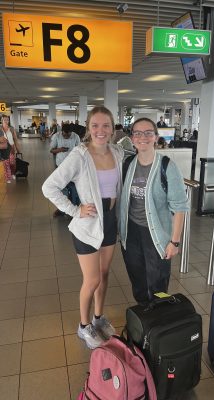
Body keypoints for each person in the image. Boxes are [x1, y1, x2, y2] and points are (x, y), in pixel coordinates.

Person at [42, 106, 124, 349]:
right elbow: (49, 187)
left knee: (105, 275)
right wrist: (75, 210)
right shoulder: (79, 155)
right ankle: (84, 325)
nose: (101, 130)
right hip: (88, 225)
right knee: (92, 279)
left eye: (106, 125)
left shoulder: (117, 152)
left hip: (109, 221)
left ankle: (98, 318)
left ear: (112, 127)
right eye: (95, 125)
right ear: (88, 127)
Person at [120, 117, 189, 306]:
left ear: (156, 137)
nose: (143, 137)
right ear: (132, 138)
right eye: (138, 133)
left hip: (156, 234)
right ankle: (145, 319)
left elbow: (180, 207)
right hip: (131, 232)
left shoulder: (167, 166)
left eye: (148, 133)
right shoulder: (128, 164)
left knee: (158, 284)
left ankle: (160, 317)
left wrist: (174, 242)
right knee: (138, 280)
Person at [50, 123, 80, 216]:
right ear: (61, 131)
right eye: (65, 134)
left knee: (75, 188)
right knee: (62, 188)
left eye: (69, 135)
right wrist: (60, 150)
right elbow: (51, 150)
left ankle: (75, 207)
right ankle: (61, 209)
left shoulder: (76, 136)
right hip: (60, 166)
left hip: (73, 166)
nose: (67, 136)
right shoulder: (56, 136)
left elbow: (80, 149)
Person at [0, 114, 20, 184]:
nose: (6, 121)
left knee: (12, 163)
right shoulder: (0, 129)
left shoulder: (11, 128)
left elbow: (15, 139)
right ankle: (8, 177)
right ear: (1, 120)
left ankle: (12, 173)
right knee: (6, 164)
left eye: (7, 120)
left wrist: (18, 149)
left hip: (11, 147)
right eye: (4, 120)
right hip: (4, 148)